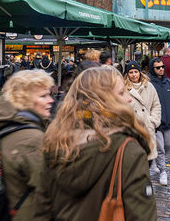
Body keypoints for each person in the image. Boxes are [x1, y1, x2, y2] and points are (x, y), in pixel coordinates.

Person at [34, 67, 157, 220]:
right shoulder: (127, 149)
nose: (129, 98)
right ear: (103, 100)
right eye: (121, 93)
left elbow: (41, 210)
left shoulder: (57, 141)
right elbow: (142, 215)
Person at [0, 70, 54, 220]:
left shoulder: (1, 122)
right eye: (43, 96)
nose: (50, 100)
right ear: (24, 100)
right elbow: (47, 190)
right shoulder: (32, 138)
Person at [124, 61, 161, 166]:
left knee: (148, 160)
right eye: (131, 72)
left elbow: (156, 105)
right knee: (134, 163)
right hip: (132, 130)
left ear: (140, 72)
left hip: (147, 128)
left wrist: (153, 121)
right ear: (127, 74)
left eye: (136, 71)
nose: (134, 75)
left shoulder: (149, 86)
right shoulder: (123, 88)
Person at [149, 57, 170, 186]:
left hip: (169, 120)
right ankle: (163, 171)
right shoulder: (149, 84)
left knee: (169, 145)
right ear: (152, 69)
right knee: (161, 149)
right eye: (158, 67)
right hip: (157, 123)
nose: (161, 69)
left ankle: (155, 158)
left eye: (162, 67)